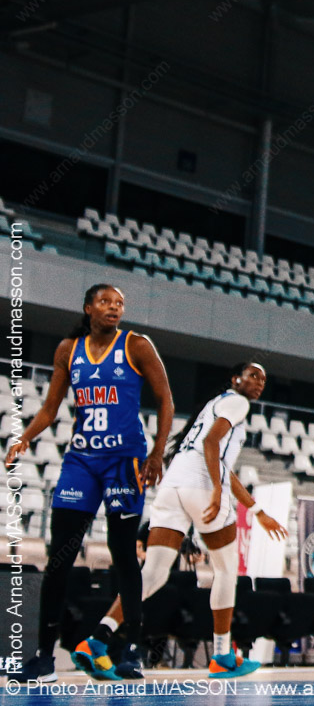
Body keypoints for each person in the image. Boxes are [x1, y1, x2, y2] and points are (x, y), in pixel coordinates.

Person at [6, 285, 174, 683]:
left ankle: (130, 651)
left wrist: (157, 454)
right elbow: (50, 408)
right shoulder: (68, 349)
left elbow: (165, 398)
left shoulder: (136, 345)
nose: (114, 308)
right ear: (88, 308)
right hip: (81, 461)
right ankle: (44, 658)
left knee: (123, 553)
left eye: (119, 303)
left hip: (124, 462)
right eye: (105, 302)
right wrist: (24, 437)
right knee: (59, 558)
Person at [98, 361, 286, 679]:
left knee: (154, 573)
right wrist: (216, 490)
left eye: (264, 380)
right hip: (201, 486)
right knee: (226, 571)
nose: (259, 383)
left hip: (173, 485)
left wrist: (257, 511)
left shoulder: (213, 405)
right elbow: (212, 445)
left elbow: (219, 462)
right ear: (235, 379)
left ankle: (98, 639)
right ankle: (222, 656)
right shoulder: (237, 403)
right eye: (253, 375)